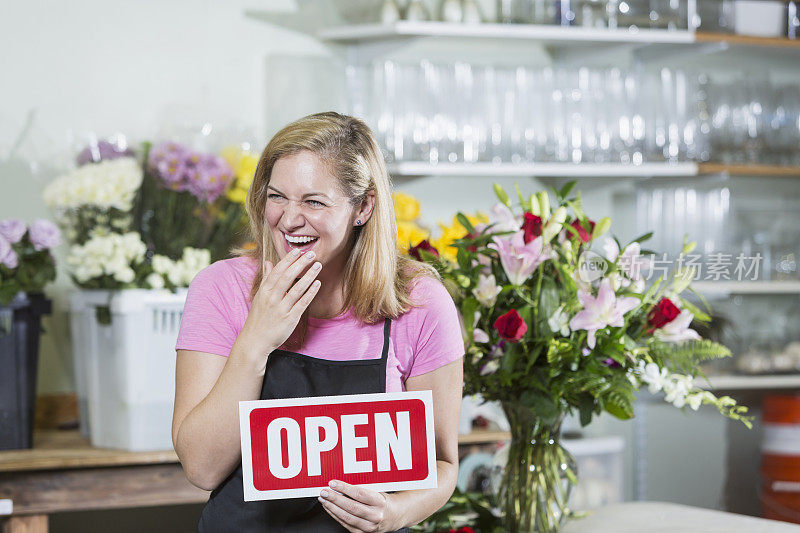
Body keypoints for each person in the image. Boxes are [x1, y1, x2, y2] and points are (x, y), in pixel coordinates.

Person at [172, 111, 465, 532]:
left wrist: (395, 513)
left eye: (313, 201)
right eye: (277, 197)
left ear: (363, 207)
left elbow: (442, 465)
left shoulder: (419, 303)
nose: (289, 219)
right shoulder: (221, 289)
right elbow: (201, 468)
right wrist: (256, 340)